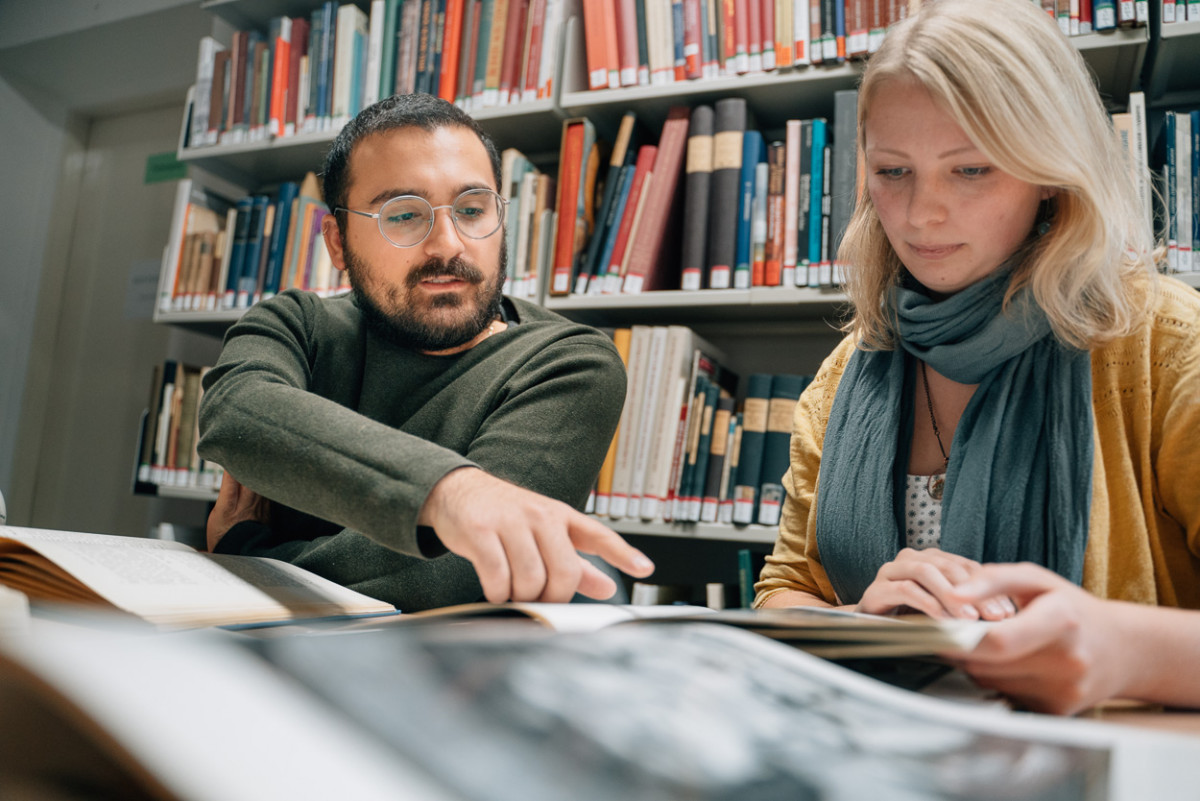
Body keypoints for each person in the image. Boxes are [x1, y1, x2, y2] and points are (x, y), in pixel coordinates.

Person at [755, 0, 1200, 715]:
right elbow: (785, 589)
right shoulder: (846, 371)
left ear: (1051, 171)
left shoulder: (1167, 347)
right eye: (893, 172)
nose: (922, 213)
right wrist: (861, 628)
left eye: (970, 170)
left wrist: (1120, 646)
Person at [197, 93, 653, 612]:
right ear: (338, 242)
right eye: (405, 215)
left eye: (473, 209)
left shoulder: (568, 362)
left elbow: (448, 578)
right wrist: (453, 496)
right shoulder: (296, 325)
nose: (448, 244)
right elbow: (234, 414)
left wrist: (245, 554)